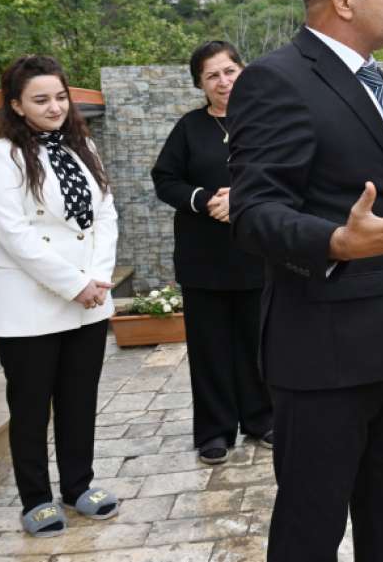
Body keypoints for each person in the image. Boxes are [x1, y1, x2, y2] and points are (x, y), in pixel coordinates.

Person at [228, 0, 383, 562]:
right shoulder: (276, 79)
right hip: (324, 358)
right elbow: (252, 213)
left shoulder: (370, 78)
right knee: (310, 531)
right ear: (344, 0)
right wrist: (335, 242)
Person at [0, 56, 121, 537]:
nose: (55, 107)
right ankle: (35, 498)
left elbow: (105, 216)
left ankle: (79, 485)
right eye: (41, 100)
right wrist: (74, 284)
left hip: (89, 302)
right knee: (32, 408)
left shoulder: (85, 146)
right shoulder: (0, 156)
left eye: (60, 97)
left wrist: (97, 278)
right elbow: (13, 234)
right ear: (17, 105)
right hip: (29, 307)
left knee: (79, 400)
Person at [151, 41, 272, 465]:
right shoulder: (189, 128)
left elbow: (287, 175)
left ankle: (262, 419)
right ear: (200, 84)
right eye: (212, 76)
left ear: (243, 71)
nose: (223, 81)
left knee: (258, 344)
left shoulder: (267, 122)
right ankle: (215, 430)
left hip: (256, 255)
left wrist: (242, 198)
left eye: (229, 71)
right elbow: (165, 180)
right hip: (203, 260)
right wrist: (205, 200)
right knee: (210, 350)